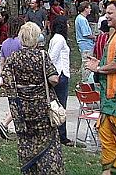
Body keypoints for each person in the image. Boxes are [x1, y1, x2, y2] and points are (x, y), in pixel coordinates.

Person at [1, 21, 65, 175]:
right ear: (36, 39)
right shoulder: (42, 56)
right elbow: (54, 79)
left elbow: (6, 82)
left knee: (26, 142)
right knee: (49, 143)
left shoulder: (13, 58)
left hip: (22, 111)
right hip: (42, 109)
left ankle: (30, 170)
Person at [86, 0, 116, 175]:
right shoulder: (114, 33)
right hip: (108, 100)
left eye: (110, 13)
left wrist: (98, 68)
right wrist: (99, 64)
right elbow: (110, 62)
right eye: (106, 12)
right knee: (107, 137)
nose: (106, 16)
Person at [0, 16, 24, 138]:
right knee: (21, 102)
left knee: (14, 101)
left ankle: (15, 125)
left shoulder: (5, 43)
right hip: (20, 76)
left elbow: (1, 62)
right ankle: (5, 123)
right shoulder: (21, 43)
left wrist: (3, 76)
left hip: (9, 77)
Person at [47, 15, 74, 145]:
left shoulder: (55, 38)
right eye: (67, 24)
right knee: (60, 105)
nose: (68, 26)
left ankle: (58, 133)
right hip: (60, 75)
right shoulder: (60, 39)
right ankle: (61, 135)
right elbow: (51, 57)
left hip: (60, 74)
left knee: (57, 104)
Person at [75, 1, 96, 83]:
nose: (90, 9)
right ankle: (86, 81)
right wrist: (94, 37)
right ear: (85, 9)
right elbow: (86, 34)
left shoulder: (80, 18)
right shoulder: (82, 19)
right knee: (87, 64)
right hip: (86, 45)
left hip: (85, 44)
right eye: (89, 8)